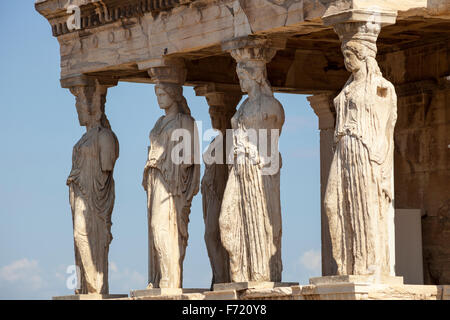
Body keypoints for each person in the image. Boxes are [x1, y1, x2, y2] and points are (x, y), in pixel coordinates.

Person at [324, 27, 398, 276]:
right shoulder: (346, 88)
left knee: (367, 204)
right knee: (333, 203)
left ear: (365, 55)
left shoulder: (382, 87)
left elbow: (388, 123)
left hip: (365, 149)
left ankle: (371, 264)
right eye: (344, 54)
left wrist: (380, 157)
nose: (346, 60)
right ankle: (346, 262)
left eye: (350, 55)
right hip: (343, 148)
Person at [219, 54, 284, 282]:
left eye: (243, 76)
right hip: (238, 167)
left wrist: (258, 156)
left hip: (256, 170)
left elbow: (273, 142)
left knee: (260, 219)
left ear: (256, 76)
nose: (240, 82)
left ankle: (258, 274)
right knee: (227, 222)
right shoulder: (243, 105)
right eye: (239, 77)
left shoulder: (271, 106)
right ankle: (239, 275)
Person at [142, 83, 200, 288]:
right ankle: (160, 278)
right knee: (155, 227)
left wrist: (188, 189)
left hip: (174, 183)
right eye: (157, 94)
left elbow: (194, 159)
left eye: (162, 93)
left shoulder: (185, 122)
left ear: (174, 95)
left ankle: (170, 278)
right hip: (156, 179)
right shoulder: (159, 122)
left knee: (163, 226)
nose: (159, 98)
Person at [67, 83, 119, 294]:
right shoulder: (84, 138)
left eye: (81, 104)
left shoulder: (105, 137)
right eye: (77, 104)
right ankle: (85, 287)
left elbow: (107, 166)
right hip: (79, 193)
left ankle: (95, 284)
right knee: (77, 237)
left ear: (92, 107)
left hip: (94, 197)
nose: (78, 109)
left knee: (84, 235)